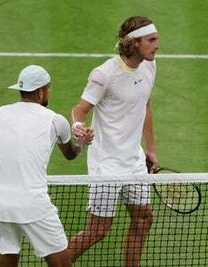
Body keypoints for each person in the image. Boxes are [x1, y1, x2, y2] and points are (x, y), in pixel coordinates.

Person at [0, 65, 93, 267]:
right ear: (41, 91)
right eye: (48, 88)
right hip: (34, 206)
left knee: (8, 260)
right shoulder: (56, 121)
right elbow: (70, 154)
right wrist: (82, 144)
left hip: (0, 206)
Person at [67, 16, 160, 266]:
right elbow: (80, 109)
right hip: (106, 164)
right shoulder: (104, 74)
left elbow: (145, 104)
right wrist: (78, 127)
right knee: (98, 230)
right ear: (135, 42)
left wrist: (150, 150)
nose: (157, 45)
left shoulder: (150, 66)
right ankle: (58, 263)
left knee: (143, 219)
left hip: (134, 161)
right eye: (151, 40)